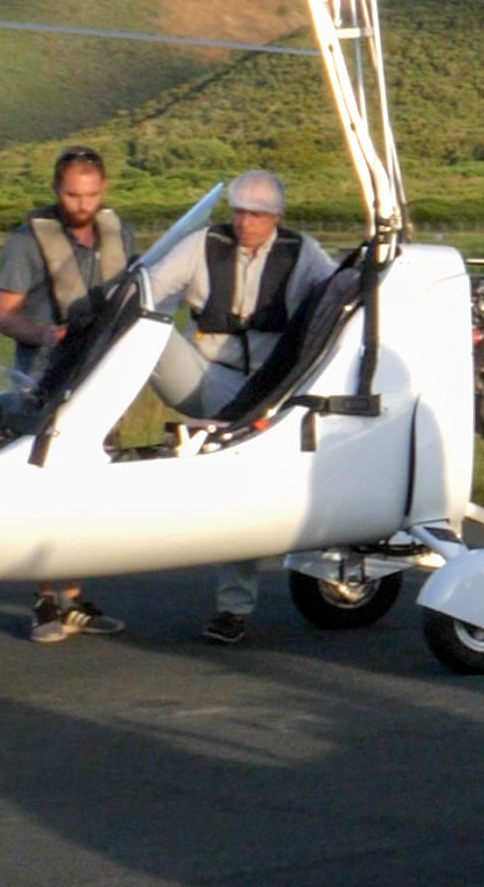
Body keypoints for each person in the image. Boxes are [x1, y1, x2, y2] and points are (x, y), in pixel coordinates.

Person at [142, 170, 342, 646]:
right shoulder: (201, 244)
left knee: (240, 492)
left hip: (268, 387)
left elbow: (341, 295)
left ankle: (233, 609)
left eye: (254, 214)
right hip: (205, 378)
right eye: (237, 211)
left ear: (276, 217)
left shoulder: (302, 253)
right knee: (139, 326)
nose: (244, 222)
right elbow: (149, 285)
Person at [0, 144, 135, 644]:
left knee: (89, 492)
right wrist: (43, 335)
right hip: (45, 374)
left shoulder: (118, 232)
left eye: (91, 194)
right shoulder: (26, 242)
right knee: (47, 491)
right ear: (57, 191)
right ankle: (45, 601)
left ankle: (74, 599)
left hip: (101, 379)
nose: (82, 204)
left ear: (103, 190)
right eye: (73, 195)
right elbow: (4, 314)